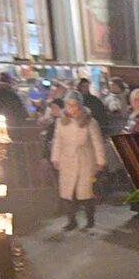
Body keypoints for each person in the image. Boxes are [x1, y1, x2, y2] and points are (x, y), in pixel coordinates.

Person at [51, 95, 107, 229]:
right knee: (68, 193)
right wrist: (55, 157)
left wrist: (100, 161)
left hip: (85, 159)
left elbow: (97, 142)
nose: (71, 108)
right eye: (69, 105)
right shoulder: (61, 122)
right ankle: (71, 220)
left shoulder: (90, 122)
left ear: (80, 105)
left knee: (86, 192)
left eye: (74, 105)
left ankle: (90, 219)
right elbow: (57, 140)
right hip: (67, 160)